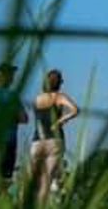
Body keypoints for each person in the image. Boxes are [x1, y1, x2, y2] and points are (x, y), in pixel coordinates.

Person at [29, 68, 81, 203]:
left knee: (34, 180)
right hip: (55, 141)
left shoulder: (37, 99)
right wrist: (61, 120)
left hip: (37, 141)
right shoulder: (59, 97)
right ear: (59, 83)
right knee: (47, 182)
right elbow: (75, 110)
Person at [0, 62, 29, 181]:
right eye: (11, 74)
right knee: (5, 177)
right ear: (4, 76)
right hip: (8, 140)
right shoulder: (12, 95)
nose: (13, 78)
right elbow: (24, 118)